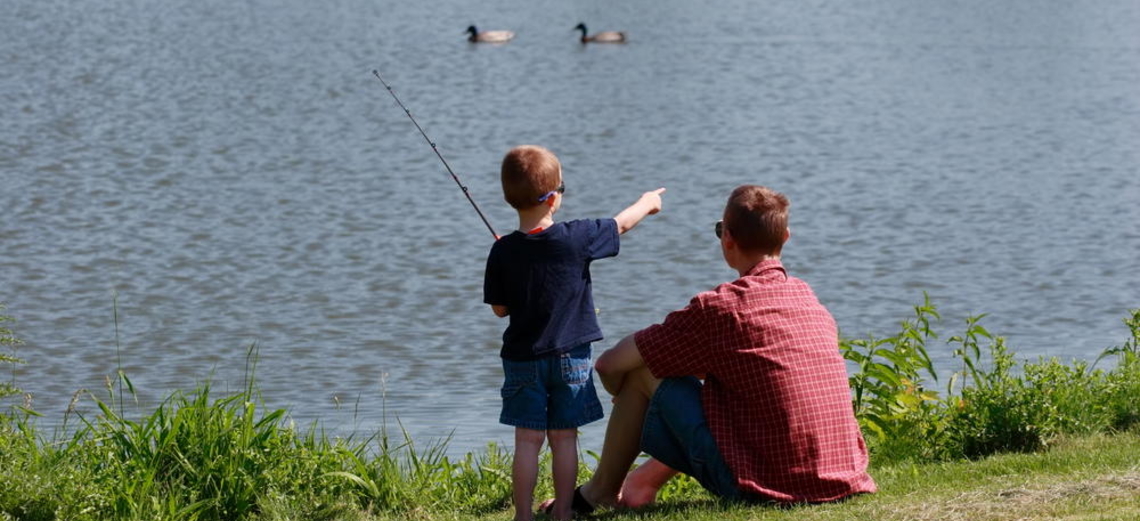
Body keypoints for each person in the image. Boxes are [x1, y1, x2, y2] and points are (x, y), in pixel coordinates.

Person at [548, 184, 876, 515]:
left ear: (727, 239)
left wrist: (631, 397)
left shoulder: (720, 309)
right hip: (842, 477)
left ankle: (598, 493)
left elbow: (608, 365)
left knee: (643, 368)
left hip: (766, 487)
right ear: (786, 237)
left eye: (720, 230)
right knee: (708, 380)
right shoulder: (809, 300)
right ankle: (636, 483)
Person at [483, 145, 665, 521]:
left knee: (527, 440)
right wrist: (647, 202)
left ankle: (522, 515)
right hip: (570, 358)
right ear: (553, 199)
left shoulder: (502, 251)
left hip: (522, 361)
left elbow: (500, 309)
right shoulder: (577, 237)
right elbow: (621, 224)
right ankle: (564, 512)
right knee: (564, 438)